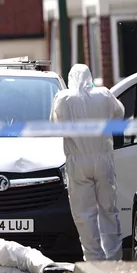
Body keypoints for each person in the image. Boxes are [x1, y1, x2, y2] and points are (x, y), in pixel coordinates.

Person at [50, 64, 125, 261]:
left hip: (77, 161)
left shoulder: (63, 98)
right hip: (103, 158)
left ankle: (94, 259)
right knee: (108, 209)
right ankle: (113, 258)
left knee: (84, 214)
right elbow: (120, 113)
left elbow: (54, 125)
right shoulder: (104, 95)